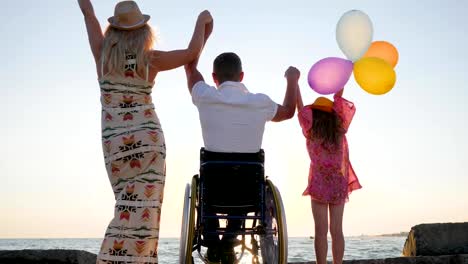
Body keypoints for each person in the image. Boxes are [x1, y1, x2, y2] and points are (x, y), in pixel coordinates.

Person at [77, 1, 212, 263]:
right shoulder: (151, 59)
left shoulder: (102, 53)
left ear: (113, 30)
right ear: (143, 31)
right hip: (149, 141)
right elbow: (191, 52)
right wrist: (203, 22)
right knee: (145, 212)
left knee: (125, 205)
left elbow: (87, 12)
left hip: (115, 142)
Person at [184, 30, 299, 262]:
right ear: (242, 75)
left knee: (209, 184)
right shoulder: (260, 102)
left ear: (214, 77)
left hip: (214, 189)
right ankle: (229, 240)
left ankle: (214, 242)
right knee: (242, 181)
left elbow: (190, 68)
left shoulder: (205, 95)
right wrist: (292, 80)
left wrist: (203, 36)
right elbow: (288, 112)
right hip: (248, 189)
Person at [296, 87, 362, 264]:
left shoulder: (311, 130)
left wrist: (294, 84)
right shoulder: (339, 128)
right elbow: (339, 99)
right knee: (337, 230)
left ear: (313, 114)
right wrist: (341, 82)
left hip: (319, 182)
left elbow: (300, 108)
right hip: (337, 182)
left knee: (320, 231)